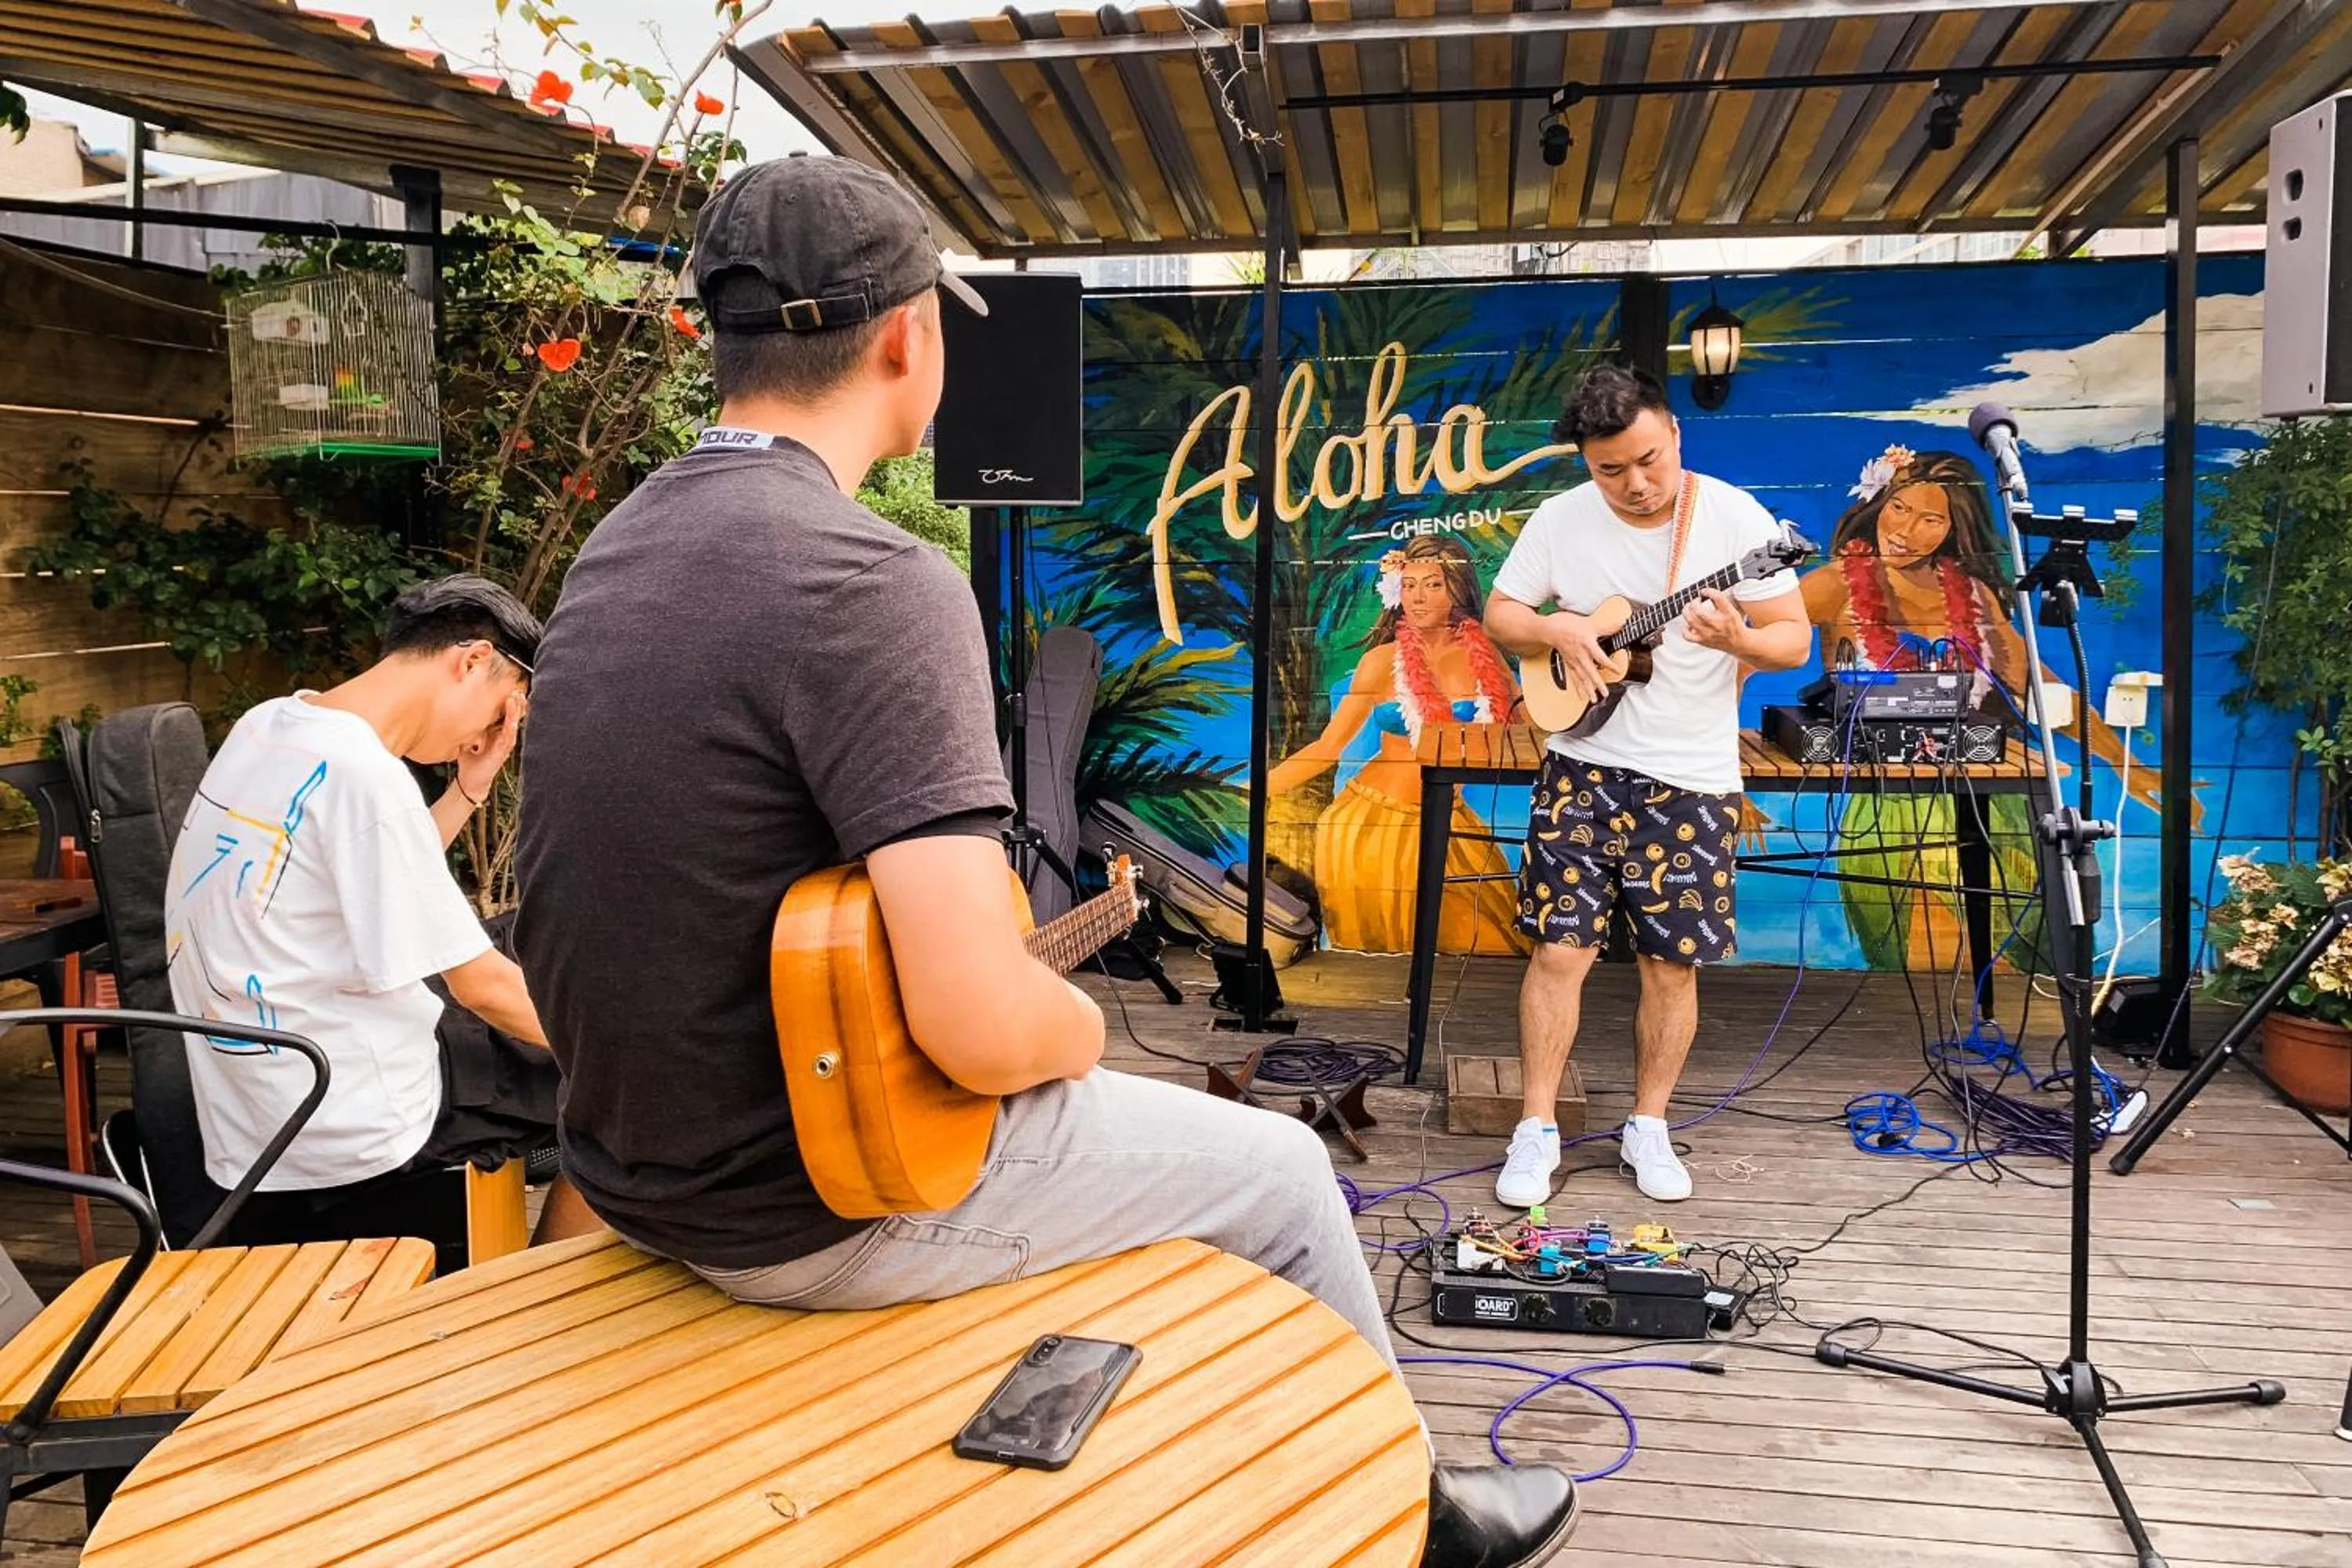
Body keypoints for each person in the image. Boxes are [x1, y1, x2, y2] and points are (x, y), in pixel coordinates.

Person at [511, 155, 1578, 1566]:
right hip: (806, 1208)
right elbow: (976, 1018)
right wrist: (1074, 1019)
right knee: (1276, 1177)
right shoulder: (874, 582)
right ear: (908, 337)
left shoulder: (618, 547)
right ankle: (1412, 1527)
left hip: (634, 1175)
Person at [163, 575, 596, 1245]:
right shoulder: (365, 775)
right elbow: (479, 986)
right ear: (472, 661)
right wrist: (626, 1057)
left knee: (534, 955)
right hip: (352, 1120)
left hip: (261, 1099)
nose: (488, 733)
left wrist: (468, 789)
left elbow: (376, 873)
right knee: (614, 1094)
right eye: (499, 712)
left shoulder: (274, 725)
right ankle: (539, 1307)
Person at [1482, 365, 1810, 1210]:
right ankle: (1537, 1126)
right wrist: (1557, 625)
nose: (1634, 483)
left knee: (1672, 965)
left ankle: (1649, 1124)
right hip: (1580, 763)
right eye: (1610, 469)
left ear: (1675, 436)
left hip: (1692, 778)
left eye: (1649, 460)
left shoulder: (1738, 520)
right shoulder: (1560, 518)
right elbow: (1502, 613)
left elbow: (1795, 642)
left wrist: (1742, 634)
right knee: (1561, 949)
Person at [1267, 534, 1529, 955]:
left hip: (1452, 820)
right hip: (1375, 826)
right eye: (1409, 586)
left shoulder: (1488, 655)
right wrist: (1257, 788)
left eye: (1432, 584)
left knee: (1491, 942)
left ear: (1458, 590)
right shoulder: (1381, 662)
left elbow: (1527, 722)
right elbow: (1328, 747)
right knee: (1388, 949)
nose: (1418, 598)